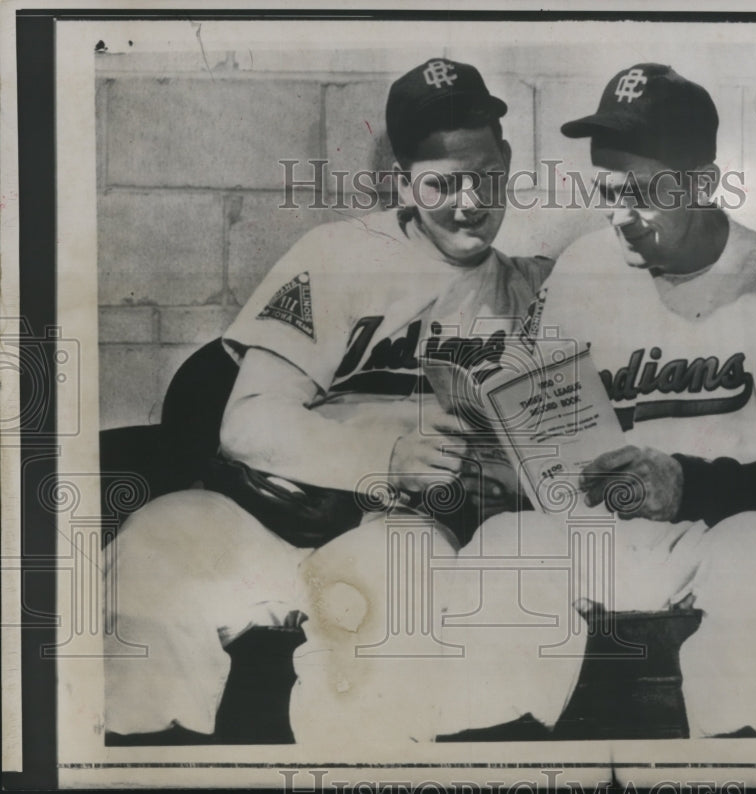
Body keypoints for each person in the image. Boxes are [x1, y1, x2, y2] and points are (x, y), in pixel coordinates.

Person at [104, 58, 584, 746]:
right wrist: (382, 456)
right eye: (440, 183)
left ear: (508, 159)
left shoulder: (537, 292)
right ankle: (137, 764)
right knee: (151, 547)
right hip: (273, 519)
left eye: (485, 174)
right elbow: (249, 420)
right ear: (400, 181)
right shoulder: (333, 256)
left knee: (391, 590)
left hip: (402, 534)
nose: (469, 201)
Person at [472, 63, 756, 738]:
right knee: (502, 544)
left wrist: (689, 486)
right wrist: (507, 473)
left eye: (641, 194)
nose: (620, 218)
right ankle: (489, 762)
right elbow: (543, 435)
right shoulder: (580, 270)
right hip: (595, 535)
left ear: (701, 185)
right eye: (609, 193)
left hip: (715, 536)